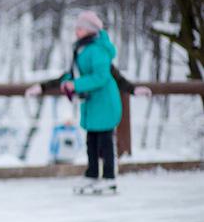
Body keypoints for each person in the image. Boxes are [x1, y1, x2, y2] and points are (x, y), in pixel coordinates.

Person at [24, 11, 142, 194]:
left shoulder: (97, 50)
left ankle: (109, 178)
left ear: (90, 30)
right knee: (92, 141)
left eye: (80, 28)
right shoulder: (82, 49)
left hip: (104, 102)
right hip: (93, 103)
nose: (76, 31)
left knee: (105, 142)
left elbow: (102, 76)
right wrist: (43, 86)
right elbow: (71, 74)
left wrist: (75, 85)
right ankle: (92, 174)